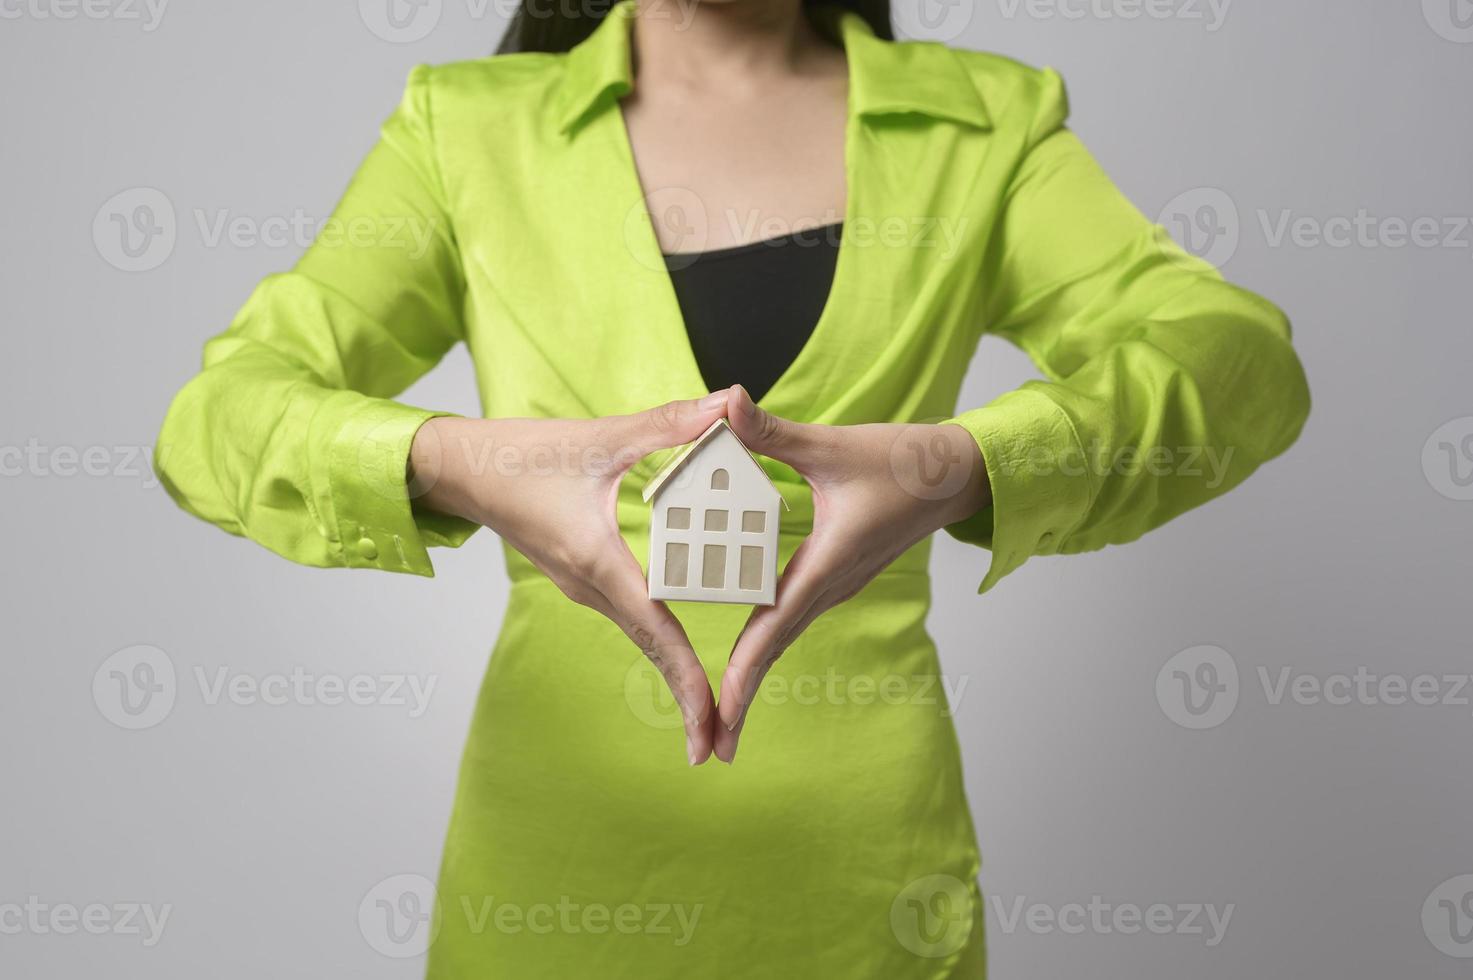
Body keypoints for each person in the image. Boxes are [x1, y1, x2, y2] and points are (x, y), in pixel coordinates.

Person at [155, 1, 1310, 975]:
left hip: (869, 897)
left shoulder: (982, 123)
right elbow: (216, 418)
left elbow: (1237, 360)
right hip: (547, 890)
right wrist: (465, 462)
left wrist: (961, 467)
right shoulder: (465, 130)